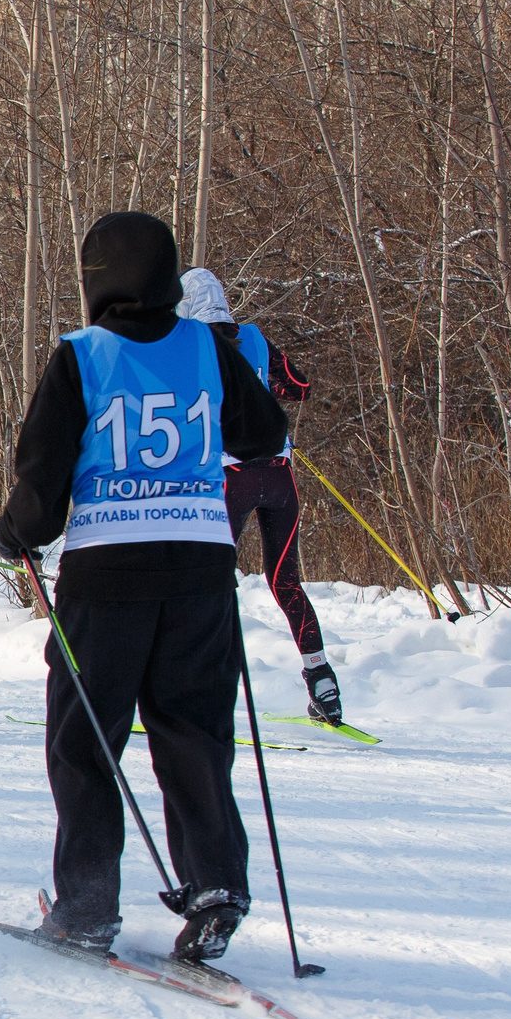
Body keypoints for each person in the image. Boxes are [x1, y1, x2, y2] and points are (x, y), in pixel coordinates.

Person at [0, 211, 287, 962]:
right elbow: (263, 433)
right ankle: (216, 883)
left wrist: (17, 530)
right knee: (194, 732)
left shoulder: (81, 356)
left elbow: (43, 477)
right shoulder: (208, 347)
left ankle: (88, 904)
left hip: (108, 573)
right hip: (200, 567)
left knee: (85, 737)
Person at [177, 268, 344, 725]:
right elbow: (299, 387)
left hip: (230, 479)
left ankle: (195, 691)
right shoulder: (251, 337)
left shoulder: (188, 346)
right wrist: (262, 385)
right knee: (285, 581)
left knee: (205, 581)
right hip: (279, 477)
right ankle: (322, 682)